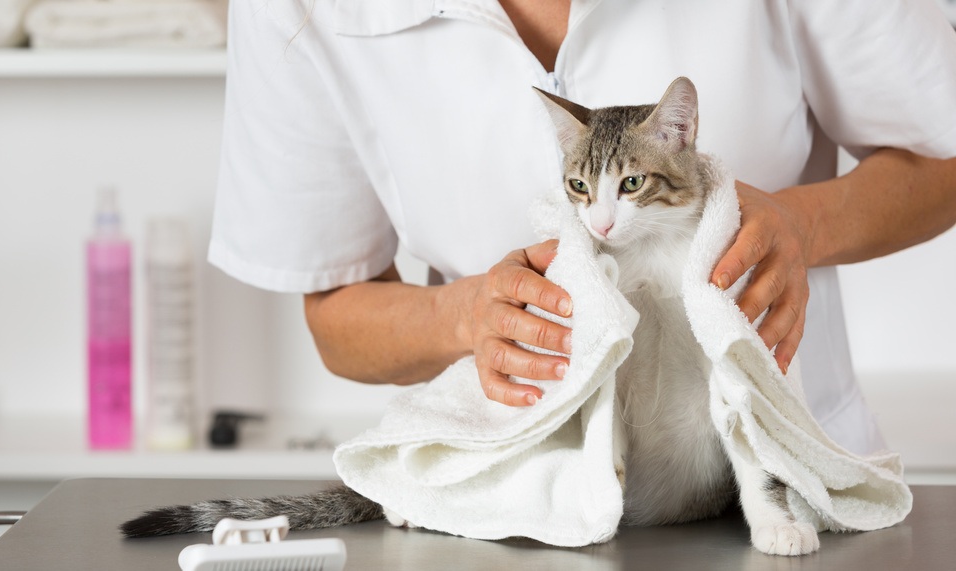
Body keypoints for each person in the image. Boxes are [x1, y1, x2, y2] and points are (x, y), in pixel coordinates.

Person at [208, 0, 956, 455]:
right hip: (514, 497)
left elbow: (945, 150)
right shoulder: (301, 9)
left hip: (773, 484)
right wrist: (463, 314)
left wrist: (803, 222)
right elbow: (336, 316)